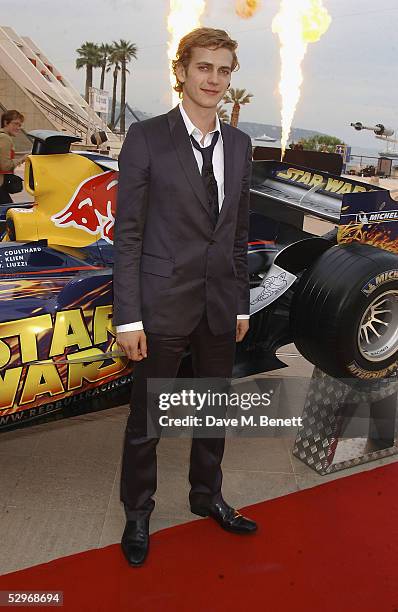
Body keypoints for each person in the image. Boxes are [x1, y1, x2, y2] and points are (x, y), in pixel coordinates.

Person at [113, 27, 257, 568]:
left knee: (214, 410)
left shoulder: (241, 146)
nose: (214, 80)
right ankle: (138, 512)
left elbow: (238, 235)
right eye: (204, 68)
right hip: (161, 303)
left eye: (224, 71)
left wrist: (241, 303)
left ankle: (207, 496)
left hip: (220, 304)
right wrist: (129, 315)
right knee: (147, 419)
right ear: (182, 72)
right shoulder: (148, 138)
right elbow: (128, 234)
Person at [0, 110, 25, 205]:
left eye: (20, 125)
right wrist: (22, 159)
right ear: (6, 122)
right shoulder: (5, 138)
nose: (18, 128)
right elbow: (5, 166)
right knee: (8, 213)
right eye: (16, 124)